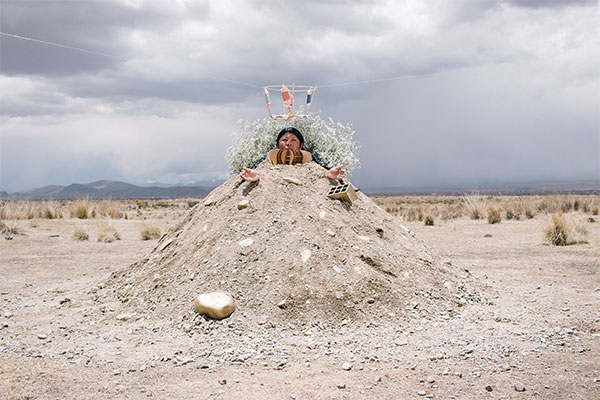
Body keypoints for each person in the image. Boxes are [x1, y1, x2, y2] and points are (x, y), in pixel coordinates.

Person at [239, 127, 346, 182]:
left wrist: (329, 175)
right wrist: (255, 177)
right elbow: (258, 169)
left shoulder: (310, 160)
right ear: (277, 144)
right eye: (284, 140)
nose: (288, 143)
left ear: (301, 145)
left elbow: (320, 171)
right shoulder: (268, 159)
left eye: (293, 140)